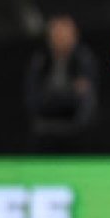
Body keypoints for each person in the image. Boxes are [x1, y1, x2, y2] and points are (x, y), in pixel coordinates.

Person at [25, 14, 98, 152]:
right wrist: (68, 93)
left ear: (74, 37)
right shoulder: (40, 60)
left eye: (65, 35)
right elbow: (33, 96)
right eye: (56, 35)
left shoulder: (83, 60)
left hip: (75, 126)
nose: (60, 39)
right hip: (44, 123)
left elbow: (86, 98)